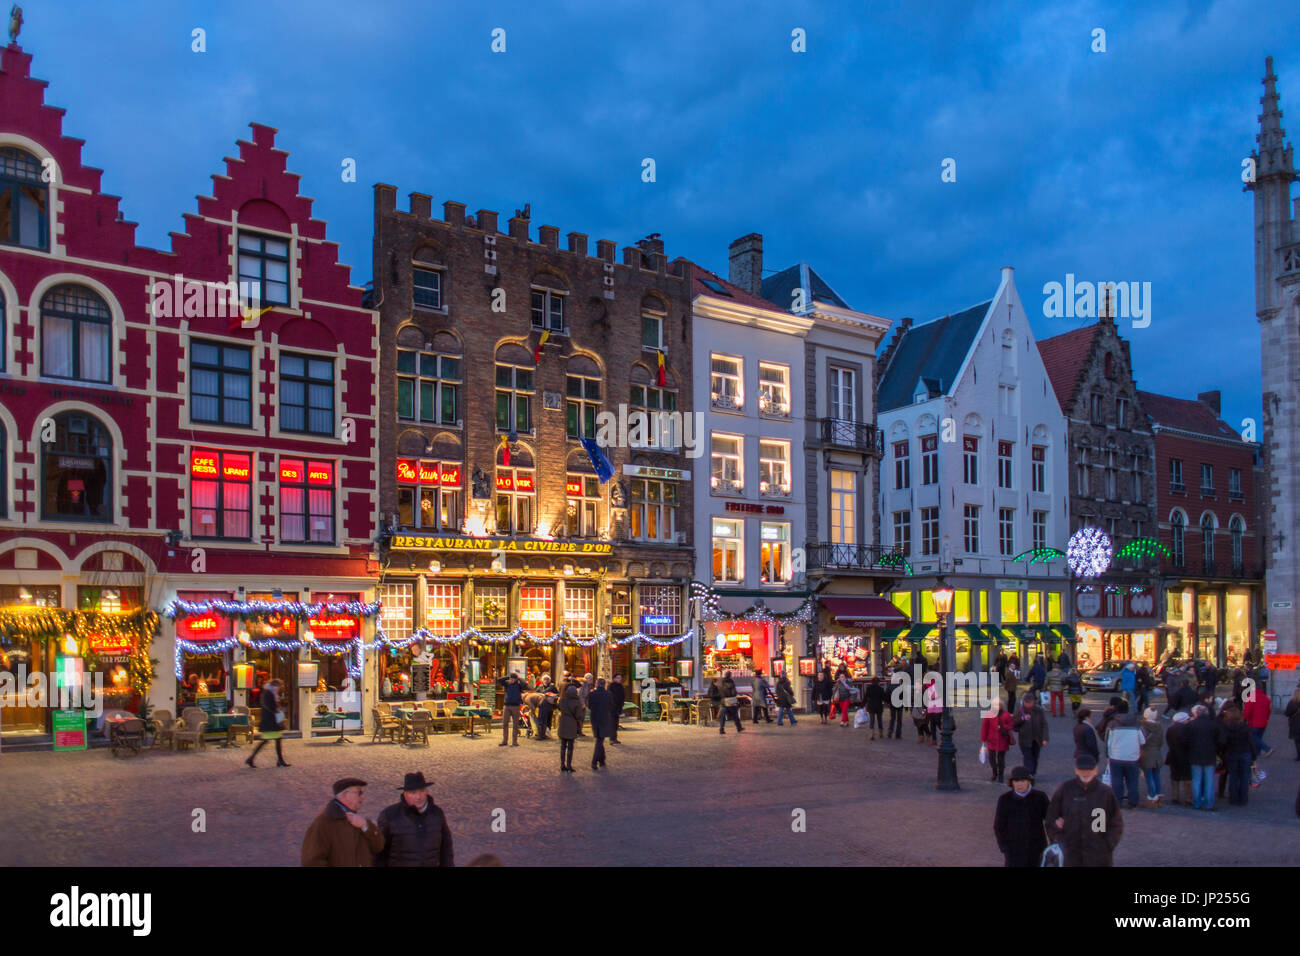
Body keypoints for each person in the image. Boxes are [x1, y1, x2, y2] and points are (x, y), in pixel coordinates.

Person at [1046, 754, 1124, 867]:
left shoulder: (1106, 793)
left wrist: (1107, 844)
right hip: (1071, 855)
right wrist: (1061, 841)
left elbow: (1116, 822)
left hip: (1099, 856)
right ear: (1076, 770)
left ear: (1096, 770)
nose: (1085, 773)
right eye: (1082, 769)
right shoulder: (1065, 789)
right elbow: (1051, 819)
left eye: (1089, 769)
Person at [374, 772, 454, 867]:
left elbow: (446, 849)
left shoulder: (437, 814)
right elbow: (378, 852)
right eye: (413, 793)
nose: (418, 797)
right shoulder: (389, 815)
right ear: (405, 794)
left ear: (426, 792)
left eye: (422, 791)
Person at [301, 777, 384, 867]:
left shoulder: (360, 821)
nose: (363, 797)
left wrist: (366, 826)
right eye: (359, 792)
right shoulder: (323, 823)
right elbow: (311, 862)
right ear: (345, 795)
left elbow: (378, 847)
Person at [993, 766, 1050, 867]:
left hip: (1036, 849)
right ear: (1012, 783)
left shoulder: (1040, 797)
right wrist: (1005, 847)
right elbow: (999, 826)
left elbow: (1050, 820)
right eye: (1016, 781)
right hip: (1014, 851)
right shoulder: (1005, 799)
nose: (1019, 784)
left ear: (1029, 781)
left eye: (1023, 780)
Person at [1105, 700, 1145, 810]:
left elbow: (1107, 742)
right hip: (1132, 757)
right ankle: (1133, 802)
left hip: (1116, 756)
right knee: (1132, 781)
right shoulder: (1136, 723)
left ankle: (1117, 801)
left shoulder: (1112, 724)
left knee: (1116, 781)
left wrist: (1108, 755)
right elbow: (1142, 740)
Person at [1219, 704, 1259, 806]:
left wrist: (1222, 753)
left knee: (1233, 777)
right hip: (1245, 754)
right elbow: (1251, 742)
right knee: (1244, 777)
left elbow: (1222, 742)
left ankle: (1233, 798)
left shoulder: (1225, 728)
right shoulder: (1245, 727)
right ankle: (1243, 798)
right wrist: (1254, 756)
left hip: (1231, 753)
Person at [245, 679, 289, 768]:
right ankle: (251, 759)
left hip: (272, 721)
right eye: (279, 687)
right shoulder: (268, 693)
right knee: (266, 741)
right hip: (270, 721)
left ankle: (280, 760)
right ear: (275, 686)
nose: (279, 689)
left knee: (275, 740)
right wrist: (277, 710)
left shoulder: (270, 692)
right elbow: (270, 706)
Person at [1185, 704, 1221, 811]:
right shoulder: (1213, 725)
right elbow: (1220, 740)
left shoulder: (1191, 725)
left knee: (1196, 780)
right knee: (1209, 781)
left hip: (1195, 755)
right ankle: (1209, 804)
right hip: (1210, 755)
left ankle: (1196, 803)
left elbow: (1186, 740)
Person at [980, 697, 1014, 783]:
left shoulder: (1006, 715)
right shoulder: (989, 714)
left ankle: (1000, 774)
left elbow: (1011, 725)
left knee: (1001, 758)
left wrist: (1003, 727)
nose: (996, 706)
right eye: (994, 705)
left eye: (998, 705)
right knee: (992, 758)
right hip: (992, 740)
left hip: (1002, 740)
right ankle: (994, 772)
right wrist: (983, 739)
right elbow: (985, 727)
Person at [1012, 693, 1049, 774]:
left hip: (1037, 739)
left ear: (1034, 702)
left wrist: (1045, 738)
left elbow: (1044, 724)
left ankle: (1032, 772)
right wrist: (1022, 719)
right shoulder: (1020, 711)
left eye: (1030, 702)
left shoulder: (1039, 710)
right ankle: (1028, 774)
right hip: (1025, 739)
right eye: (1026, 702)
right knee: (1027, 757)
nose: (1028, 704)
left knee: (1035, 757)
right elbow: (1013, 723)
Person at [1138, 707, 1166, 808]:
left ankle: (1151, 797)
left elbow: (1141, 741)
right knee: (1156, 776)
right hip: (1157, 753)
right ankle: (1158, 796)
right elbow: (1161, 742)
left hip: (1146, 753)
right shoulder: (1159, 727)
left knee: (1149, 777)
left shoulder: (1143, 727)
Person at [1164, 711, 1193, 804]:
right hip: (1186, 756)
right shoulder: (1188, 729)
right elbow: (1189, 742)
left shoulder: (1170, 729)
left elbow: (1168, 741)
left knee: (1175, 777)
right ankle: (1188, 798)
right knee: (1187, 777)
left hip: (1173, 755)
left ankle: (1175, 797)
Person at [1242, 682, 1274, 758]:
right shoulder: (1265, 698)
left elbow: (1247, 711)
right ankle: (1257, 753)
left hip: (1254, 722)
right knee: (1259, 737)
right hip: (1263, 722)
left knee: (1254, 737)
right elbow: (1268, 711)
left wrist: (1244, 718)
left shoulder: (1251, 697)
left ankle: (1267, 749)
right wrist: (1266, 718)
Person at [587, 677, 612, 770]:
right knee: (600, 740)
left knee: (599, 739)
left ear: (597, 684)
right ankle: (594, 761)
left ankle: (602, 760)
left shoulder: (592, 694)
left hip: (595, 718)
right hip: (604, 718)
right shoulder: (608, 694)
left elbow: (589, 706)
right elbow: (611, 705)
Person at [557, 685, 583, 772]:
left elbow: (559, 708)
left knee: (563, 746)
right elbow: (579, 715)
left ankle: (562, 764)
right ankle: (568, 765)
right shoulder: (577, 702)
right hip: (572, 725)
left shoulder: (563, 700)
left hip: (563, 723)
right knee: (570, 747)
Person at [497, 671, 525, 747]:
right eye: (511, 679)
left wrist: (519, 678)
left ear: (516, 679)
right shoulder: (507, 684)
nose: (511, 680)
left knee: (515, 724)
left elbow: (524, 684)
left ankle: (514, 741)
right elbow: (499, 680)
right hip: (507, 706)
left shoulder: (519, 685)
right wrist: (508, 677)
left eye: (513, 679)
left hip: (516, 706)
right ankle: (504, 740)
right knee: (505, 723)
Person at [716, 671, 744, 735]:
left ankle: (721, 729)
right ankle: (739, 727)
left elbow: (719, 690)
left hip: (723, 701)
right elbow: (734, 692)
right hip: (730, 701)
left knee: (722, 716)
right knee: (735, 715)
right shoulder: (731, 682)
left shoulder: (721, 682)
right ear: (730, 675)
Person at [924, 674, 943, 744]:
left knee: (937, 721)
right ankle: (934, 739)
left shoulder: (938, 685)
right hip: (930, 706)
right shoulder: (926, 687)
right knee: (932, 723)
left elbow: (943, 694)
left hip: (938, 705)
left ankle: (944, 733)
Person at [609, 673, 626, 743]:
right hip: (612, 707)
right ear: (614, 679)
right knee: (612, 723)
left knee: (616, 723)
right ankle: (612, 738)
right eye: (618, 678)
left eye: (620, 678)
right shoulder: (611, 686)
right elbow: (610, 697)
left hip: (618, 707)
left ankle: (614, 738)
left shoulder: (621, 686)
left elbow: (622, 696)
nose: (620, 679)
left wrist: (621, 706)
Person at [1285, 687, 1300, 760]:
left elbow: (1287, 713)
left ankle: (1299, 756)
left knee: (1297, 741)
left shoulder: (1292, 703)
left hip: (1295, 724)